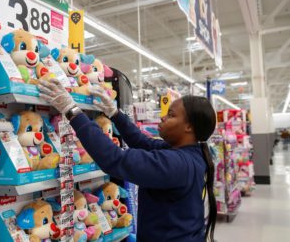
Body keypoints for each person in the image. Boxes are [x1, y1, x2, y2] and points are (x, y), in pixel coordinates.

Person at [38, 79, 217, 242]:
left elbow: (115, 159)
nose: (163, 117)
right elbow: (141, 142)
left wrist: (73, 112)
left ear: (189, 127)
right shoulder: (189, 154)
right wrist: (115, 114)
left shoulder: (177, 163)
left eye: (171, 115)